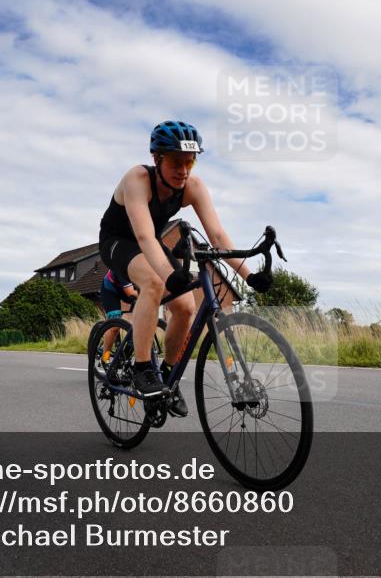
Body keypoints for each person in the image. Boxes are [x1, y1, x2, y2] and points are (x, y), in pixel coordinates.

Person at [98, 120, 272, 417]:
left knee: (187, 307)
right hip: (119, 241)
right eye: (176, 162)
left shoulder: (193, 186)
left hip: (151, 243)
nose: (184, 170)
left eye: (189, 162)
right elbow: (143, 236)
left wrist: (249, 275)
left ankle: (167, 375)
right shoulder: (137, 178)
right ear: (157, 159)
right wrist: (169, 275)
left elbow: (217, 236)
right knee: (154, 282)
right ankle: (142, 368)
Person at [98, 269, 137, 366]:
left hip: (128, 290)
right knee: (114, 327)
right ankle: (105, 358)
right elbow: (130, 292)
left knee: (140, 323)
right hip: (111, 290)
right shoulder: (124, 263)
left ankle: (126, 355)